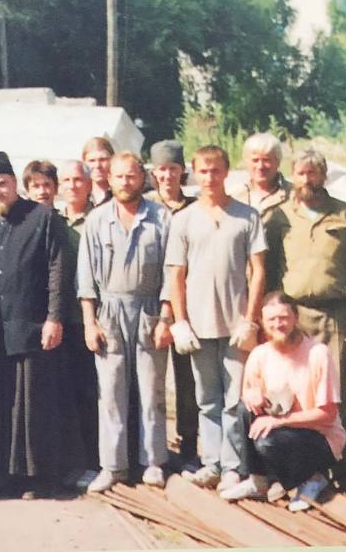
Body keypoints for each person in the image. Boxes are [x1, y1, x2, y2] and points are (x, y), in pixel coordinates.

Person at [166, 145, 266, 492]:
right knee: (207, 399)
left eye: (216, 171)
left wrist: (250, 320)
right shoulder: (184, 219)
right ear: (194, 174)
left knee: (234, 400)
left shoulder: (247, 216)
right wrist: (180, 321)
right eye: (203, 171)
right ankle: (212, 463)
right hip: (199, 325)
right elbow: (176, 275)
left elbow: (258, 270)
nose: (210, 178)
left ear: (226, 172)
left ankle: (233, 467)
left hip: (236, 324)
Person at [0, 150, 67, 498]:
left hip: (33, 326)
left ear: (14, 183)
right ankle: (1, 476)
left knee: (32, 408)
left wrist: (54, 318)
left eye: (2, 184)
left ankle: (35, 478)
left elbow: (58, 270)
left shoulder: (43, 217)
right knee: (0, 405)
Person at [79, 152, 174, 492]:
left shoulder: (161, 218)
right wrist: (90, 323)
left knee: (151, 389)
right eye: (119, 176)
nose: (125, 182)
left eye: (131, 176)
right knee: (110, 392)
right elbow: (85, 279)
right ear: (109, 179)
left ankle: (153, 462)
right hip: (110, 312)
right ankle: (113, 466)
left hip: (149, 310)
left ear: (142, 178)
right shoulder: (97, 220)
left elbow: (171, 273)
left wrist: (166, 318)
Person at [219, 292, 345, 513]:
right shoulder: (260, 354)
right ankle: (257, 480)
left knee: (266, 443)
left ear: (296, 318)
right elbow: (249, 391)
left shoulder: (318, 354)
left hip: (319, 436)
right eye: (272, 319)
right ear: (262, 322)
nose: (278, 324)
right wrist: (252, 395)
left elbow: (328, 415)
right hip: (284, 431)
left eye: (284, 317)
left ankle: (313, 478)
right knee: (244, 409)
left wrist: (279, 421)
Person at [263, 149, 346, 420]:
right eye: (301, 173)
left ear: (324, 175)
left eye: (312, 173)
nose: (306, 180)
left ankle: (334, 444)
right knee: (288, 386)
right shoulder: (278, 217)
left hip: (334, 316)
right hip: (291, 315)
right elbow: (266, 269)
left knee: (334, 389)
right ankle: (291, 442)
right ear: (292, 176)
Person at [144, 140, 200, 466]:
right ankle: (151, 446)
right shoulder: (145, 206)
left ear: (183, 172)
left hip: (185, 302)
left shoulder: (195, 208)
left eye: (173, 169)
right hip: (148, 302)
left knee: (187, 378)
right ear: (153, 174)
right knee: (150, 378)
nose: (167, 176)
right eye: (162, 170)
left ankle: (189, 441)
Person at [56, 159, 99, 484]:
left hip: (92, 320)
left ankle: (93, 461)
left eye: (78, 180)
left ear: (89, 183)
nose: (73, 185)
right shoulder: (53, 221)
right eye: (67, 180)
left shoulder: (100, 219)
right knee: (65, 394)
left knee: (92, 394)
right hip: (62, 319)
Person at [231, 133, 293, 289]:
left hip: (282, 287)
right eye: (255, 160)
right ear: (246, 161)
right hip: (241, 287)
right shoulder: (233, 197)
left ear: (278, 162)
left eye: (267, 160)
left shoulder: (294, 196)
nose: (260, 166)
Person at [83, 137, 115, 206]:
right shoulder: (80, 198)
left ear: (112, 160)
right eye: (92, 161)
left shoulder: (121, 196)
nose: (97, 165)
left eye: (103, 159)